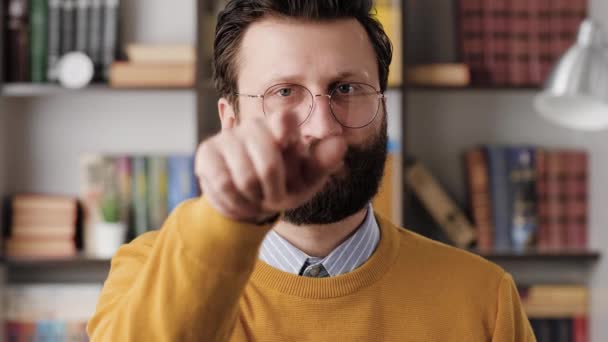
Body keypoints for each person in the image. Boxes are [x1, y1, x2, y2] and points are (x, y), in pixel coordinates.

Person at [87, 1, 536, 341]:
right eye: (284, 91)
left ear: (383, 109)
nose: (322, 126)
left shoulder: (484, 297)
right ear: (230, 119)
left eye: (346, 88)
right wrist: (231, 217)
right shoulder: (146, 273)